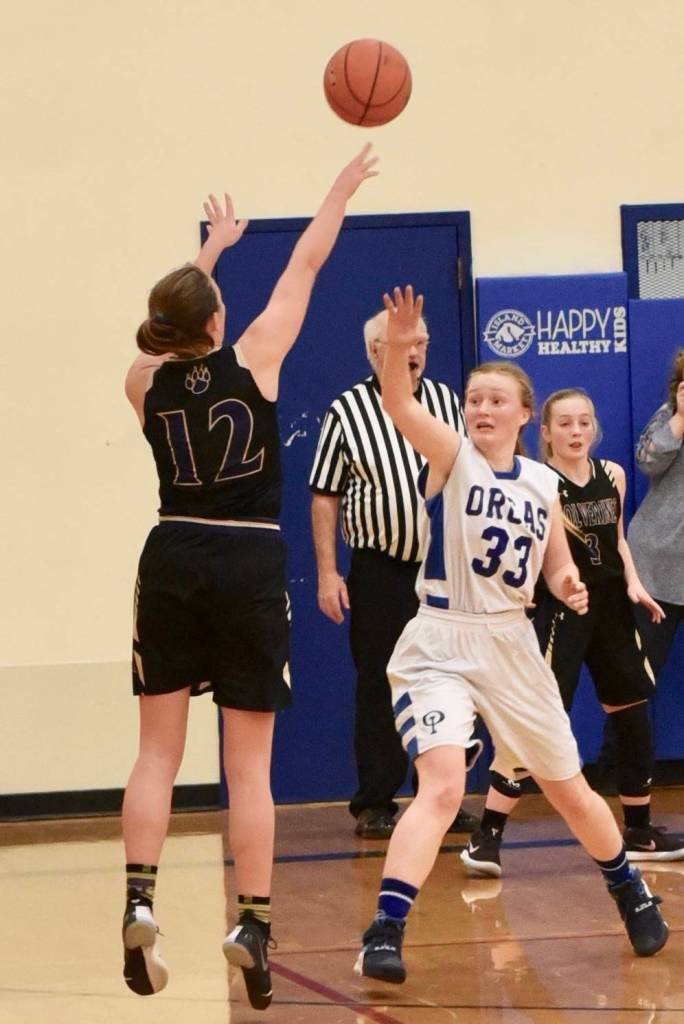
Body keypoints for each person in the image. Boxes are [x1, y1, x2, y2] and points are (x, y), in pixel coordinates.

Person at [121, 145, 378, 1009]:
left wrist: (208, 253)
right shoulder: (256, 354)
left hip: (172, 554)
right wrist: (338, 189)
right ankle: (255, 923)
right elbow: (307, 260)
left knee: (157, 753)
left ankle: (140, 900)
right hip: (247, 557)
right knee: (251, 765)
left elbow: (172, 316)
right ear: (218, 321)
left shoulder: (142, 382)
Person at [355, 286, 668, 986]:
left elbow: (556, 562)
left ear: (525, 414)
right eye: (475, 399)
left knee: (567, 788)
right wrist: (401, 346)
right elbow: (399, 403)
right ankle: (384, 930)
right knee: (442, 785)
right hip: (441, 640)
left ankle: (630, 891)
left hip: (510, 642)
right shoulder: (452, 455)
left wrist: (568, 582)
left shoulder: (541, 484)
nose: (483, 409)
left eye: (497, 400)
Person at [461, 387, 684, 881]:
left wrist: (634, 584)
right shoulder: (537, 481)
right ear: (544, 432)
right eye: (564, 424)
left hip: (612, 610)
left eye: (584, 422)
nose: (576, 432)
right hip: (561, 610)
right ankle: (488, 835)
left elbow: (617, 540)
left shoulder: (613, 475)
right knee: (535, 723)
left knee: (633, 715)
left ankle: (639, 829)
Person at [309, 305, 480, 839]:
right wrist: (328, 573)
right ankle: (375, 801)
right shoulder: (346, 410)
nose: (416, 350)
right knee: (380, 681)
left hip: (444, 570)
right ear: (374, 351)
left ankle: (440, 796)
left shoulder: (447, 402)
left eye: (422, 340)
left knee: (447, 681)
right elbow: (325, 496)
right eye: (405, 340)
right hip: (380, 569)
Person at [627, 348, 684, 680]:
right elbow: (646, 461)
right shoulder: (669, 415)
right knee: (638, 678)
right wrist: (680, 419)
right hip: (656, 567)